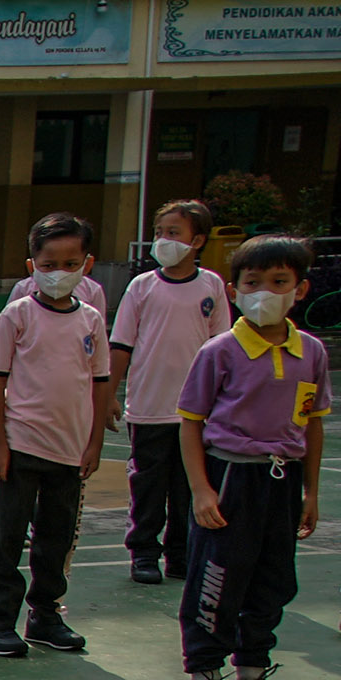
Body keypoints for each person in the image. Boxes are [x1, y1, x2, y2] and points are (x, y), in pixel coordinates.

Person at [179, 237, 330, 680]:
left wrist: (311, 492)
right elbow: (191, 423)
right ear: (234, 290)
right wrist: (202, 490)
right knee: (216, 583)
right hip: (230, 477)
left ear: (300, 289)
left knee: (271, 583)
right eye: (253, 283)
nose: (266, 292)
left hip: (281, 480)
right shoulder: (219, 352)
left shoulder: (311, 352)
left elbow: (312, 425)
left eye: (279, 283)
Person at [0, 213, 112, 660]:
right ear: (31, 263)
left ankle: (45, 614)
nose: (58, 271)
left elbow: (98, 382)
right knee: (6, 536)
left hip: (70, 451)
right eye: (48, 262)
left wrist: (93, 444)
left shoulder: (91, 320)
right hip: (21, 447)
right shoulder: (16, 316)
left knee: (56, 537)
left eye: (69, 262)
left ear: (86, 265)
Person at [107, 198, 231, 586]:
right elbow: (122, 344)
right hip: (149, 406)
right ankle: (144, 552)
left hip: (195, 413)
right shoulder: (141, 287)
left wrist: (222, 400)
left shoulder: (211, 286)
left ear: (197, 241)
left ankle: (181, 554)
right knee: (147, 484)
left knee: (187, 486)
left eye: (173, 233)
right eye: (159, 233)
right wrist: (109, 393)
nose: (163, 240)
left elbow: (222, 346)